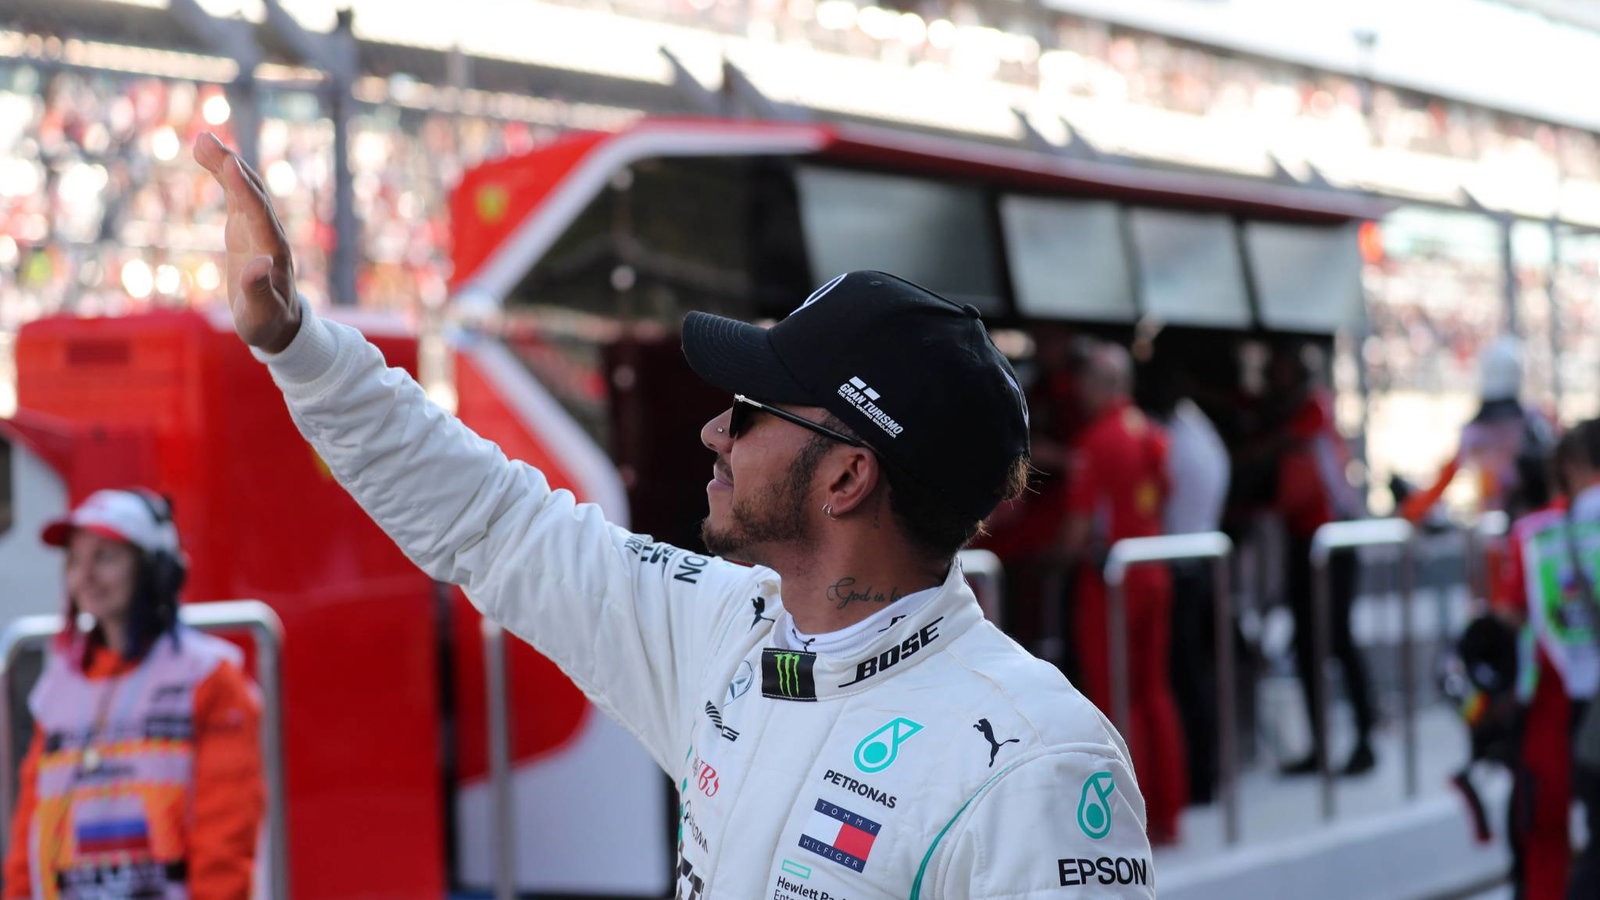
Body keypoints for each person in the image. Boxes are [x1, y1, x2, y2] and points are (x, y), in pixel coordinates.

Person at [192, 134, 1155, 897]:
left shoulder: (1039, 763)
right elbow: (491, 519)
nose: (712, 431)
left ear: (847, 478)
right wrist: (296, 343)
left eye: (750, 410)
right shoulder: (727, 630)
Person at [3, 488, 264, 900]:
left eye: (104, 557)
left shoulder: (208, 677)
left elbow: (225, 839)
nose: (85, 576)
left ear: (155, 570)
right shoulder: (57, 687)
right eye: (75, 560)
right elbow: (29, 837)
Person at [1058, 339, 1187, 844]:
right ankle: (1167, 813)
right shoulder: (1150, 433)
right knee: (1154, 691)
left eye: (1086, 380)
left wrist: (1050, 563)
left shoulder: (1096, 442)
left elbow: (1078, 527)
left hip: (1111, 581)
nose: (1078, 390)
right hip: (1152, 572)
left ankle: (1129, 820)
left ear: (1104, 384)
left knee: (1114, 695)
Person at [1499, 421, 1600, 900]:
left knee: (1547, 834)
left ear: (1572, 468)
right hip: (1571, 715)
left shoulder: (1536, 534)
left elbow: (1507, 616)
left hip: (1556, 709)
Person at [1265, 344, 1376, 777]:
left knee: (1338, 640)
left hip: (1332, 541)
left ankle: (1365, 739)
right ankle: (1320, 746)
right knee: (1309, 644)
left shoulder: (1312, 408)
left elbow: (1283, 444)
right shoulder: (1298, 410)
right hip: (1305, 541)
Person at [1145, 353, 1231, 805]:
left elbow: (1161, 497)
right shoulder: (1198, 431)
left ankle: (1199, 776)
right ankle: (1202, 774)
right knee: (1192, 674)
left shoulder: (1178, 439)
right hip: (1194, 562)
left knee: (1185, 676)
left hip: (1183, 565)